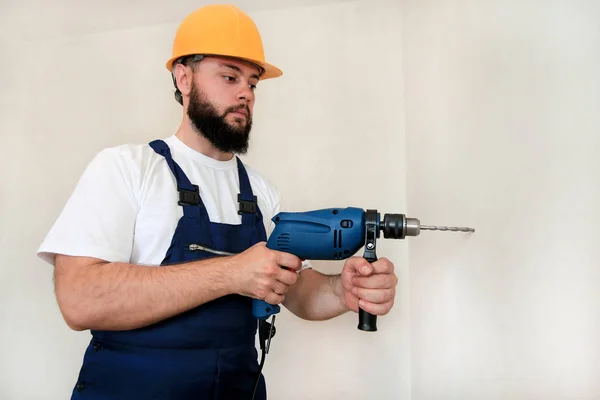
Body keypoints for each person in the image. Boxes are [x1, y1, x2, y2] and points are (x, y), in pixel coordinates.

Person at [37, 4, 398, 400]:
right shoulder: (128, 167)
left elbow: (297, 290)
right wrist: (231, 273)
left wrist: (341, 291)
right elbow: (78, 299)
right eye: (229, 76)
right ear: (184, 77)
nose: (245, 92)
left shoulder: (260, 190)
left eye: (253, 83)